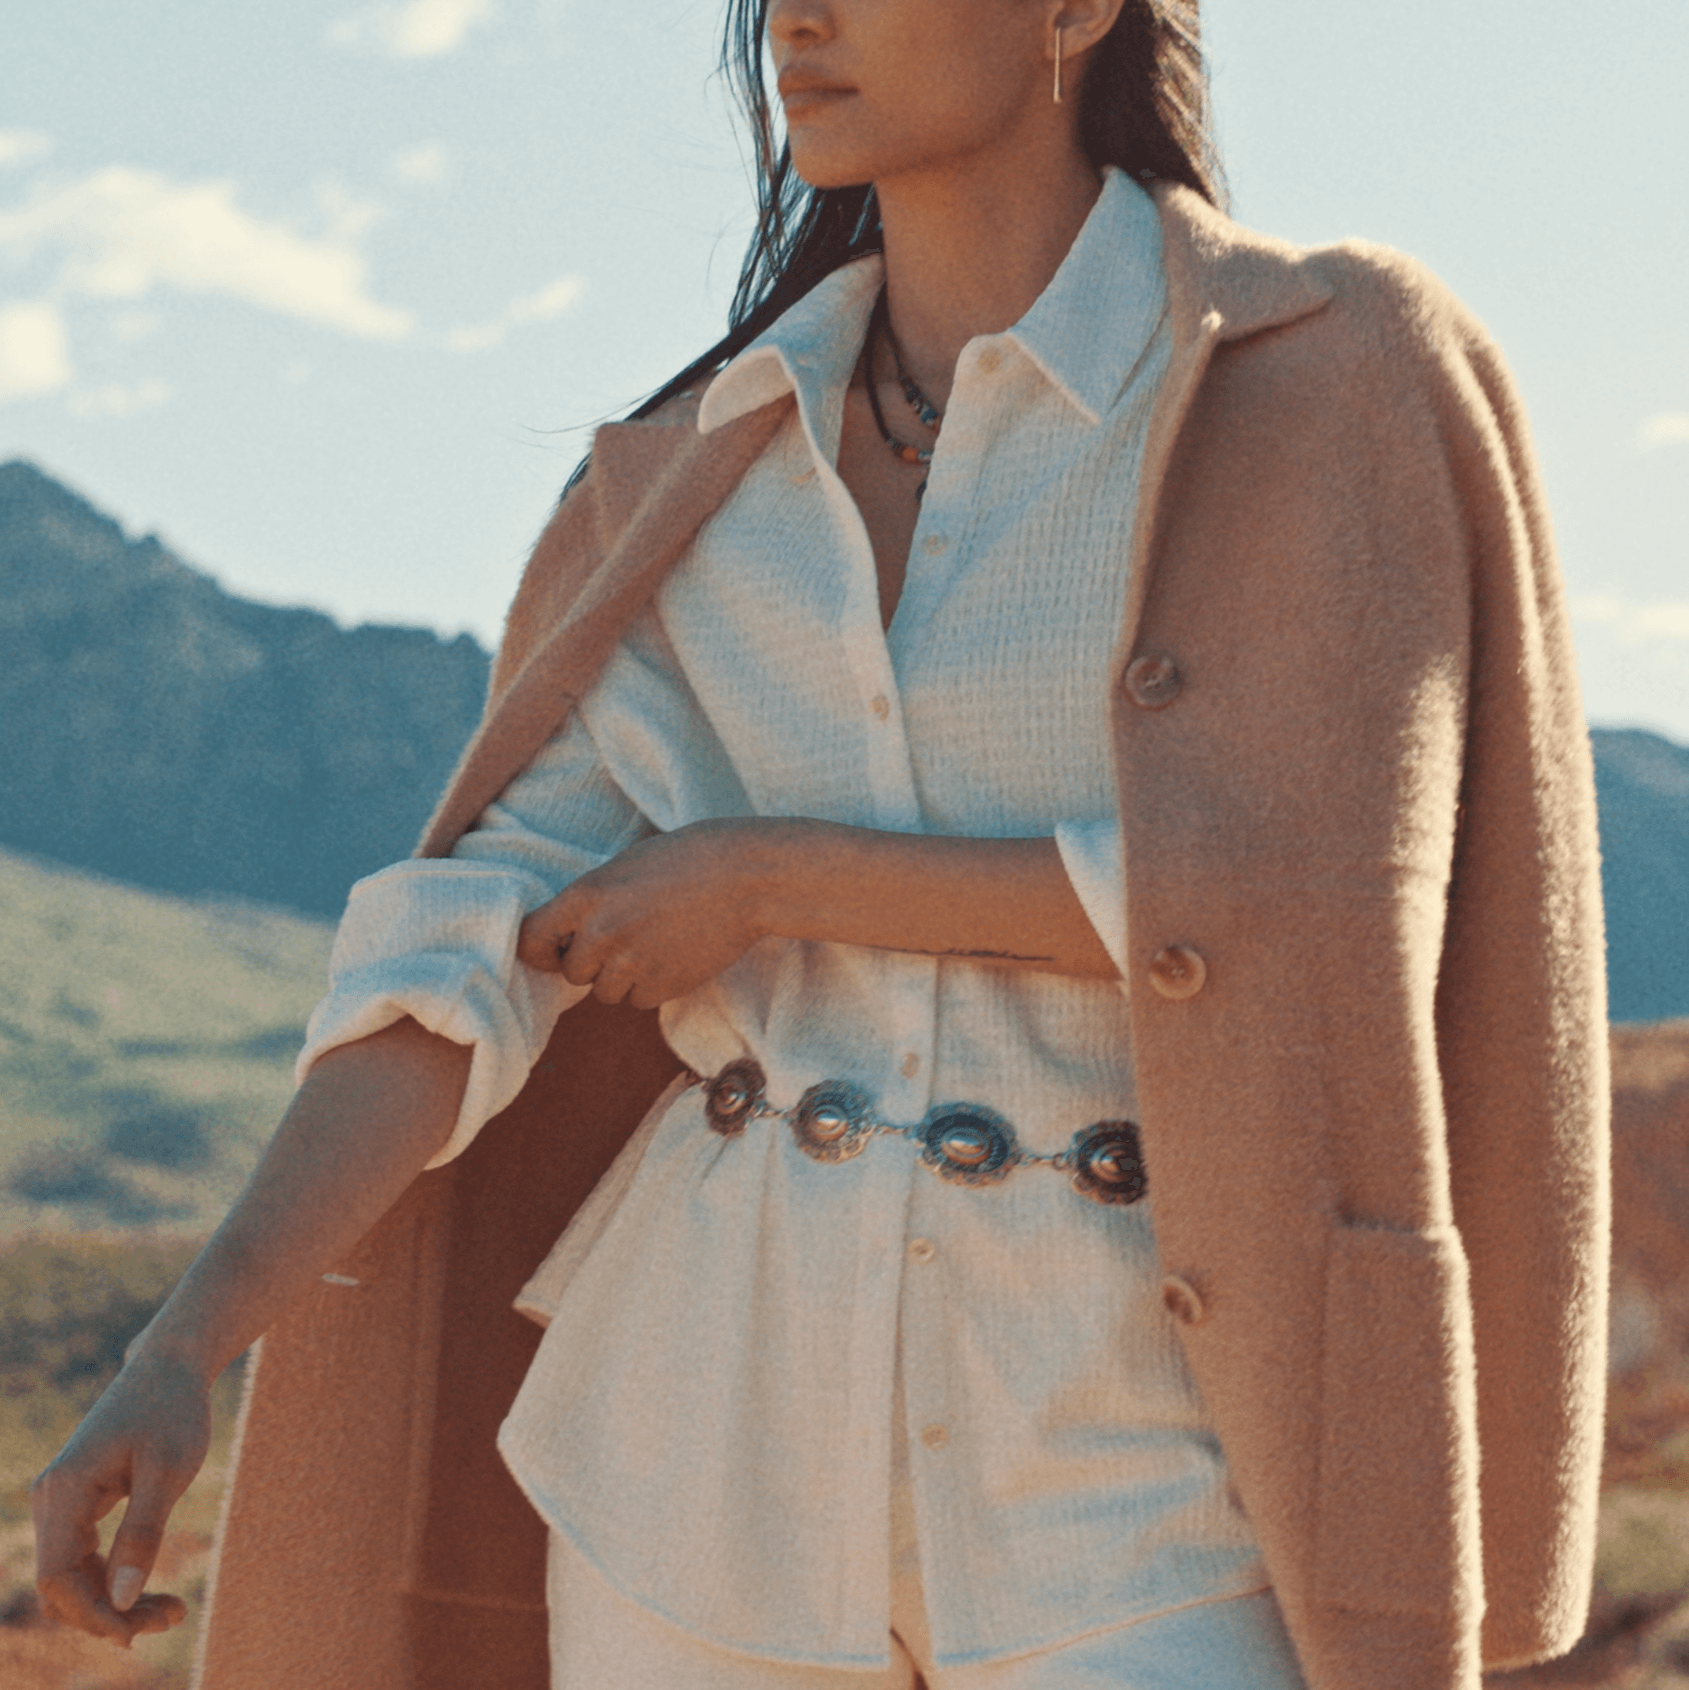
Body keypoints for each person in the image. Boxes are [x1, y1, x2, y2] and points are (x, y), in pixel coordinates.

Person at [32, 1, 1610, 1687]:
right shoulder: (699, 474)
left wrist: (771, 875)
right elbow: (464, 951)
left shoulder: (1321, 373)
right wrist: (184, 1340)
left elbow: (1316, 894)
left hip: (1154, 1471)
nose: (799, 13)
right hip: (693, 1486)